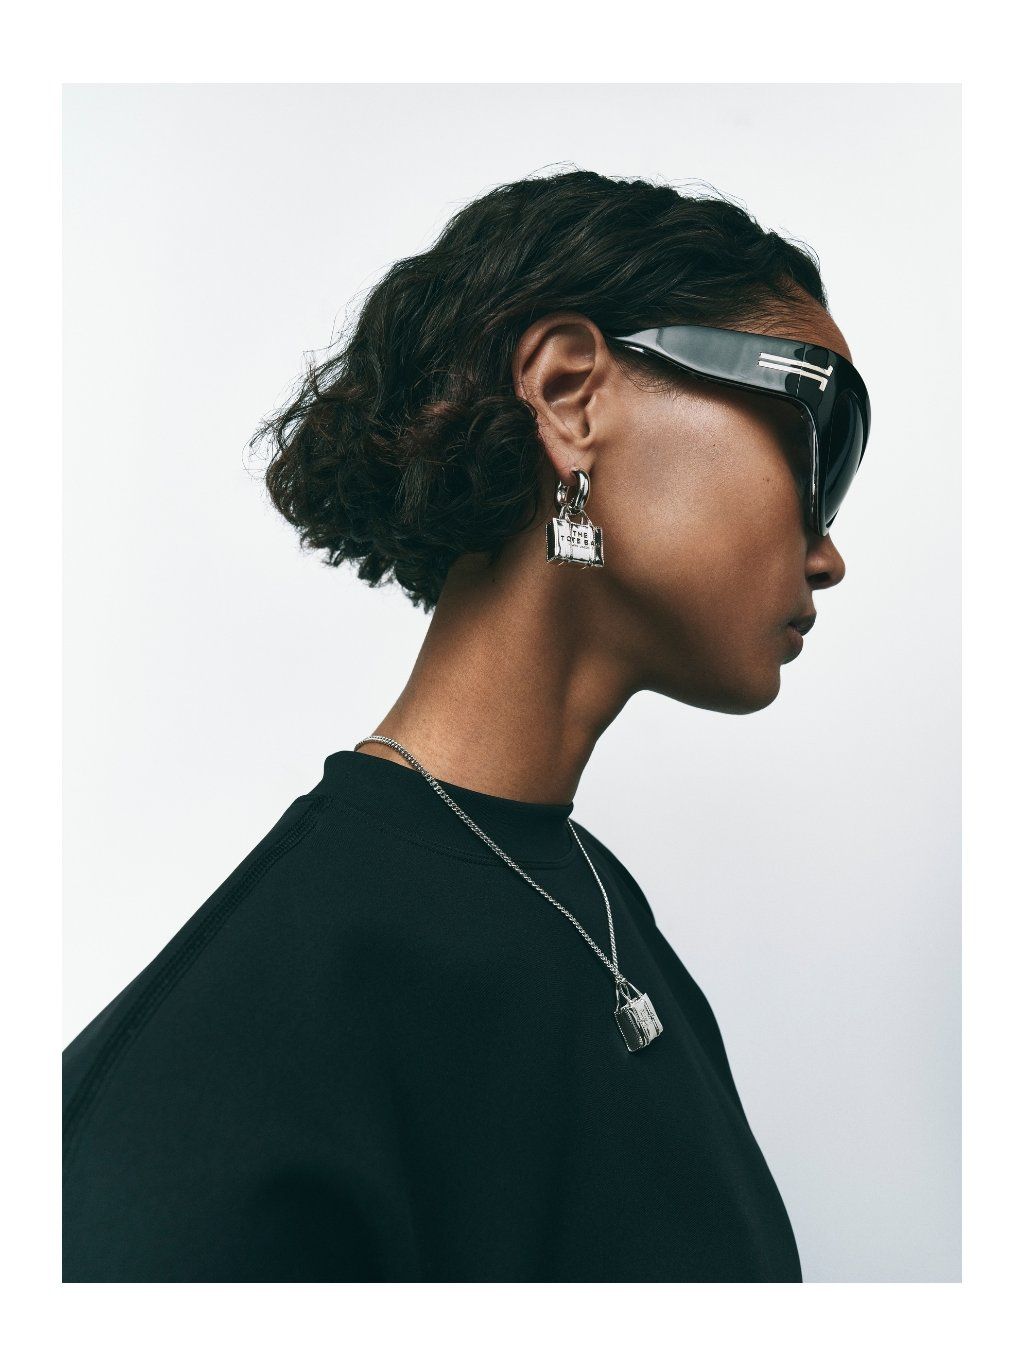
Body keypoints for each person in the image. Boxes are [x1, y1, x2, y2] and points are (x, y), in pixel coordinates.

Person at [63, 168, 869, 1282]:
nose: (828, 551)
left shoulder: (595, 903)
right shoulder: (217, 1060)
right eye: (820, 437)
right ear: (570, 395)